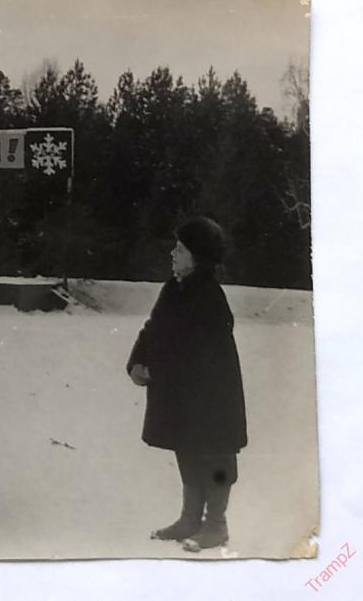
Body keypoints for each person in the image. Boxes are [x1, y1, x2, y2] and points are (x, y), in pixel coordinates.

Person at [127, 216, 247, 551]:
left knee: (215, 455)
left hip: (211, 396)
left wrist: (161, 369)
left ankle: (216, 525)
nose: (173, 253)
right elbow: (154, 328)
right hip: (183, 394)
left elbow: (199, 351)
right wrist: (137, 360)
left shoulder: (209, 296)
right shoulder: (174, 288)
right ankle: (190, 518)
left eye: (180, 249)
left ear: (197, 257)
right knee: (188, 449)